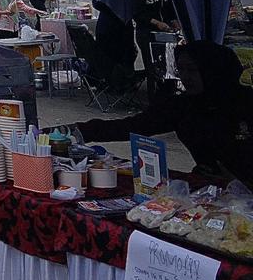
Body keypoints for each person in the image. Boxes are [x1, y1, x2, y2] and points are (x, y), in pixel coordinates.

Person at [76, 41, 253, 184]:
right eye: (181, 69)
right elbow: (134, 126)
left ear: (213, 70)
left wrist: (237, 179)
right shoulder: (184, 105)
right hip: (208, 188)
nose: (185, 76)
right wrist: (75, 131)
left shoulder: (245, 102)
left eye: (191, 70)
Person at [132, 0, 179, 97]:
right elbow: (137, 13)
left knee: (169, 64)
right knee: (152, 65)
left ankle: (169, 92)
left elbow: (169, 8)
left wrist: (174, 20)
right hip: (146, 33)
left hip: (165, 33)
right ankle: (153, 95)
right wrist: (156, 22)